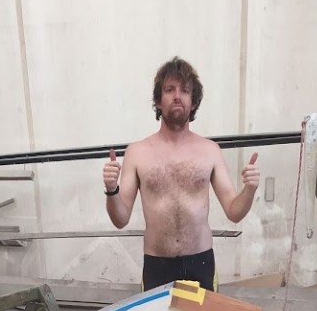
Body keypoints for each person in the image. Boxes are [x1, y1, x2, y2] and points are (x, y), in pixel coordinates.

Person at [102, 56, 260, 291]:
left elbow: (234, 211)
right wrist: (111, 189)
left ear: (193, 102)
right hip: (157, 266)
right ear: (158, 101)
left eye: (185, 90)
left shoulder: (210, 151)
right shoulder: (137, 152)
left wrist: (250, 189)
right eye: (169, 90)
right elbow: (120, 219)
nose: (177, 96)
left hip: (201, 263)